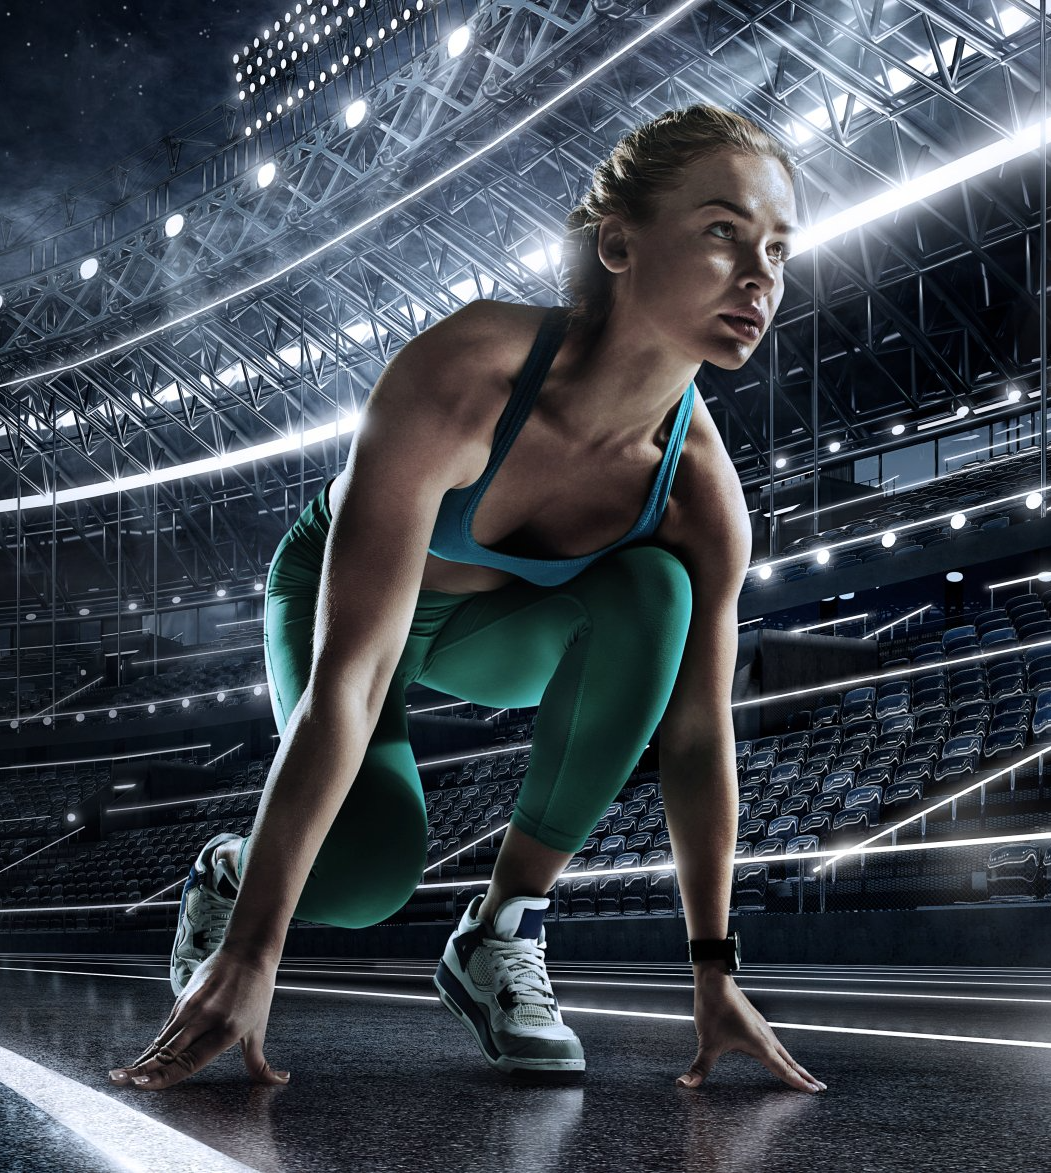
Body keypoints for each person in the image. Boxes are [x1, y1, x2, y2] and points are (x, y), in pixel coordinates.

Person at [108, 103, 827, 1095]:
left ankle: (499, 932)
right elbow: (351, 675)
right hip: (351, 608)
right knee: (365, 881)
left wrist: (713, 972)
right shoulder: (470, 371)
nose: (759, 275)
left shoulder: (700, 496)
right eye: (722, 232)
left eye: (778, 251)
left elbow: (699, 738)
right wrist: (255, 952)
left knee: (655, 587)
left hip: (500, 634)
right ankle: (232, 877)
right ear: (618, 242)